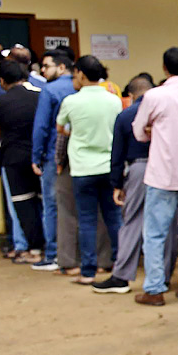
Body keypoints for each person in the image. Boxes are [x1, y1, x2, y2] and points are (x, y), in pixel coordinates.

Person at [92, 75, 178, 294]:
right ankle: (164, 276)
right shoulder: (165, 111)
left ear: (130, 95)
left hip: (138, 169)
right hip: (167, 167)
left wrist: (117, 183)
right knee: (166, 222)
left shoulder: (126, 115)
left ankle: (122, 276)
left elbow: (117, 154)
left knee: (132, 221)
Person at [133, 47, 178, 306]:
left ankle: (154, 288)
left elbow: (139, 131)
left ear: (164, 68)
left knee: (155, 233)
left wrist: (154, 132)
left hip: (163, 173)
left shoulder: (154, 96)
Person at [55, 55, 123, 285]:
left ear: (82, 75)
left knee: (86, 220)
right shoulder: (113, 100)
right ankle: (118, 264)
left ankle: (88, 270)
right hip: (108, 166)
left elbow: (60, 128)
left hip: (82, 168)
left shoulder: (71, 102)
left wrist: (76, 134)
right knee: (113, 218)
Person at [0, 60, 44, 259]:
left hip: (13, 159)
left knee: (23, 204)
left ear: (2, 81)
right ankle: (51, 248)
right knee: (44, 203)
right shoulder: (40, 96)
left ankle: (34, 249)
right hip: (39, 157)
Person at [29, 50, 77, 271]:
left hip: (52, 154)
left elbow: (41, 127)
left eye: (46, 66)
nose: (42, 70)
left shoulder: (49, 90)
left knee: (52, 205)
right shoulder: (81, 87)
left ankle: (53, 253)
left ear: (60, 67)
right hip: (78, 156)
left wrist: (36, 156)